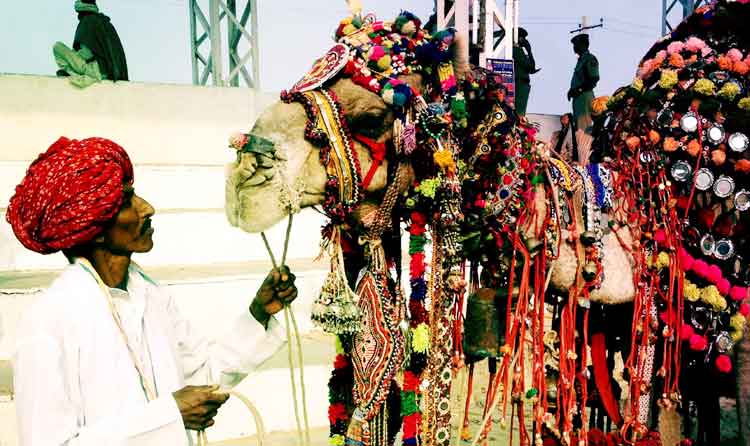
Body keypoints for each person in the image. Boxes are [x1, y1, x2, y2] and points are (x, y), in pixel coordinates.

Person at [7, 137, 297, 445]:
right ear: (94, 229)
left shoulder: (151, 295)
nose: (148, 208)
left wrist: (258, 313)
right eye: (127, 201)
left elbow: (202, 379)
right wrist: (169, 418)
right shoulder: (49, 322)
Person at [69, 0, 129, 81]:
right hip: (108, 71)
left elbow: (87, 53)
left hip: (98, 70)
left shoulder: (88, 21)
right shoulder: (103, 22)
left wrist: (72, 59)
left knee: (58, 47)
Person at [567, 33, 599, 133]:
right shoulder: (581, 60)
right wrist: (572, 91)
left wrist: (579, 89)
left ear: (584, 45)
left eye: (576, 45)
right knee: (578, 128)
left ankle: (584, 148)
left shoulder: (589, 59)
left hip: (584, 97)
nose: (574, 47)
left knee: (584, 129)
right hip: (578, 98)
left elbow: (593, 79)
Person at [513, 28, 540, 116]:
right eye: (522, 38)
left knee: (520, 112)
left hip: (522, 83)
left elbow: (532, 68)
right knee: (519, 113)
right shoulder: (516, 50)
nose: (524, 40)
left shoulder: (520, 50)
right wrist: (529, 50)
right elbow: (530, 66)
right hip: (520, 84)